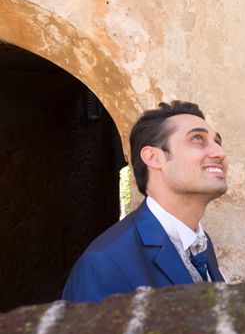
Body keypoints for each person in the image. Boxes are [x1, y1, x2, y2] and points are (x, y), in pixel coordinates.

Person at [62, 101, 227, 303]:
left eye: (217, 141)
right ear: (153, 157)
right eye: (197, 139)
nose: (220, 153)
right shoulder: (104, 263)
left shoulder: (201, 241)